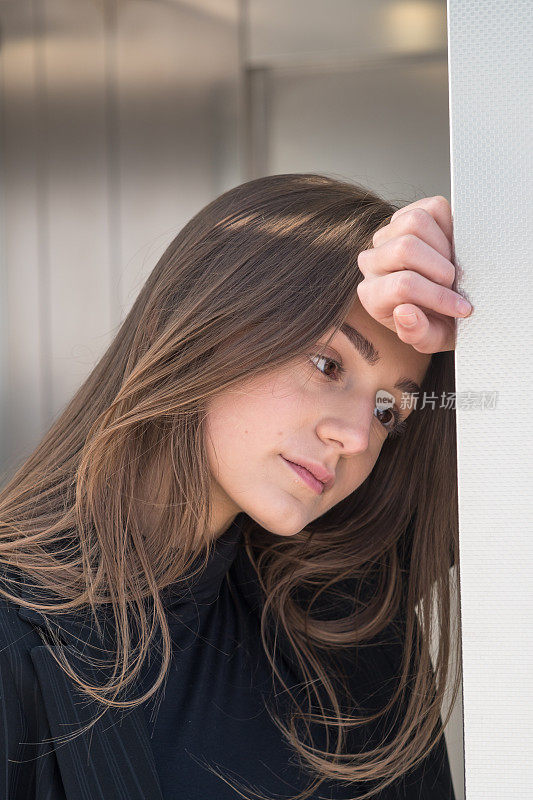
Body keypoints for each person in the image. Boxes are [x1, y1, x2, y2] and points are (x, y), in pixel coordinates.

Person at [0, 173, 470, 800]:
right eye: (329, 365)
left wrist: (499, 290)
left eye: (389, 410)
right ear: (209, 321)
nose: (358, 437)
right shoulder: (20, 638)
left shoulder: (339, 619)